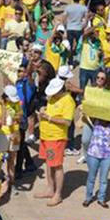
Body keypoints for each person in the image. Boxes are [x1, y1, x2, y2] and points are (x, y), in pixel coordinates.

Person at [35, 78, 75, 206]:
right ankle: (50, 188)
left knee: (57, 165)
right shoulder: (52, 98)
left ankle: (58, 194)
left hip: (56, 138)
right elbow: (48, 108)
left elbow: (67, 122)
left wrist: (50, 118)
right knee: (48, 162)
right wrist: (42, 110)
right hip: (45, 135)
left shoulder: (68, 101)